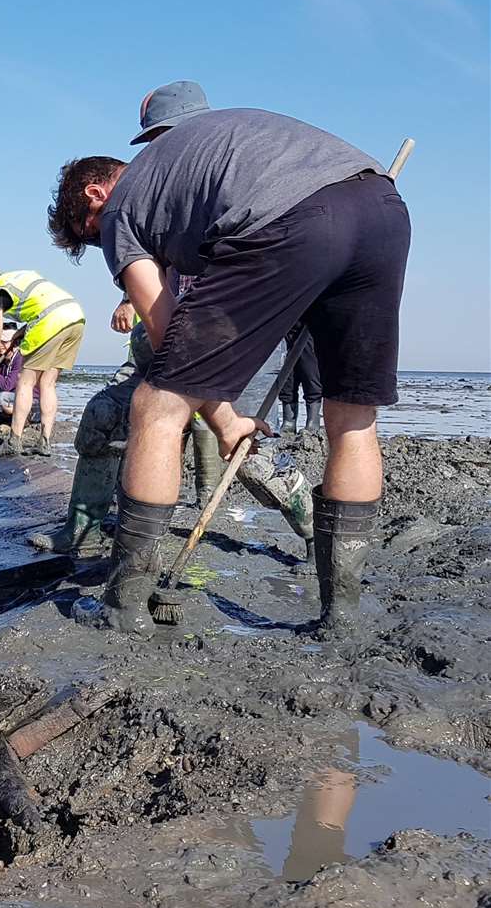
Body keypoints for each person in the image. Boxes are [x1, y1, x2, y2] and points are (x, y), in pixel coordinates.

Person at [46, 81, 409, 636]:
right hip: (380, 205)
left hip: (288, 218)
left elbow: (167, 333)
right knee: (353, 416)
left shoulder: (123, 206)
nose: (105, 251)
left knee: (157, 406)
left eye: (90, 239)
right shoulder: (226, 137)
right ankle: (342, 619)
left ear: (95, 196)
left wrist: (219, 417)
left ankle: (123, 609)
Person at [29, 307, 315, 562]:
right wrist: (130, 298)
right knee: (104, 414)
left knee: (253, 455)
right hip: (178, 324)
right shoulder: (140, 249)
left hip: (246, 330)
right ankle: (82, 530)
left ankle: (319, 538)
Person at [0, 265, 86, 457]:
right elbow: (42, 306)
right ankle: (44, 443)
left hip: (50, 323)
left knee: (25, 383)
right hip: (75, 318)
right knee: (48, 383)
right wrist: (17, 336)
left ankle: (14, 440)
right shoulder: (17, 279)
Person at [279, 324, 323, 436]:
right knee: (288, 379)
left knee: (310, 374)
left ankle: (313, 422)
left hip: (309, 329)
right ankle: (288, 423)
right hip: (290, 328)